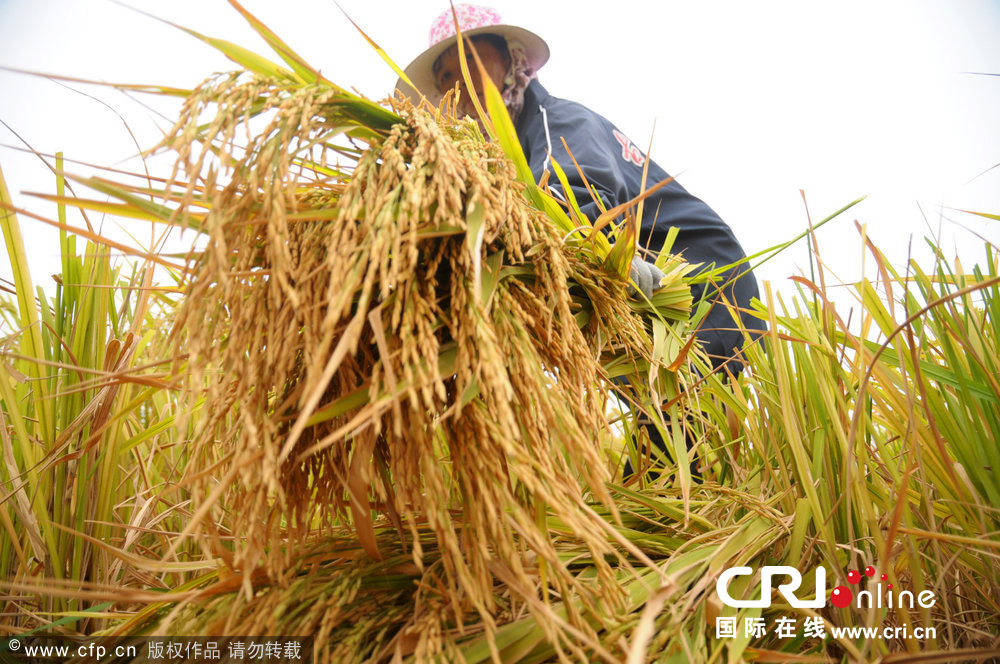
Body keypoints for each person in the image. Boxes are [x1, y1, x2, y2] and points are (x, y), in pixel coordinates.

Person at [396, 4, 766, 478]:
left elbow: (570, 196)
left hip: (704, 284)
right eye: (446, 77)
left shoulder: (553, 121)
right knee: (668, 433)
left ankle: (676, 528)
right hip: (648, 299)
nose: (458, 86)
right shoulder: (512, 154)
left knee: (669, 431)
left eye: (470, 62)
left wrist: (589, 249)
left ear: (512, 61)